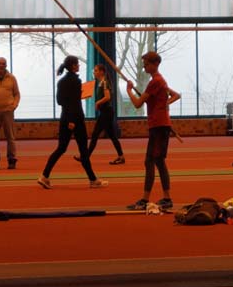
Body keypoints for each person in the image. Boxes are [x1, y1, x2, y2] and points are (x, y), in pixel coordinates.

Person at [38, 56, 108, 190]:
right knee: (83, 150)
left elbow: (60, 101)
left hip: (64, 118)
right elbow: (75, 103)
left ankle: (44, 176)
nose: (79, 66)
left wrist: (69, 116)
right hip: (75, 119)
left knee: (61, 148)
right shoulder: (76, 81)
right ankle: (93, 180)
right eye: (77, 64)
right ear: (73, 66)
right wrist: (72, 120)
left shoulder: (61, 81)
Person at [125, 51, 180, 210]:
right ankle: (163, 198)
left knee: (154, 161)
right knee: (156, 161)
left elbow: (137, 104)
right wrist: (163, 104)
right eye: (144, 64)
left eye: (147, 64)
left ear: (155, 64)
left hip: (159, 126)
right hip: (158, 125)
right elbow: (175, 95)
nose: (144, 66)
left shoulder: (155, 81)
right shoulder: (159, 81)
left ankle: (149, 199)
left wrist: (129, 90)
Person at [75, 63, 125, 165]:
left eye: (96, 70)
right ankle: (121, 156)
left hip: (106, 112)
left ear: (102, 72)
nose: (94, 72)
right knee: (112, 136)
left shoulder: (104, 82)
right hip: (105, 112)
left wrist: (98, 102)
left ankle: (85, 157)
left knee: (95, 134)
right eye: (94, 70)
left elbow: (107, 97)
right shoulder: (100, 83)